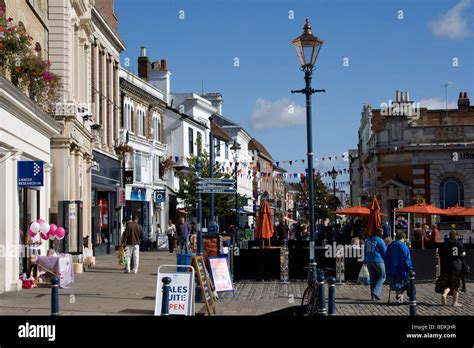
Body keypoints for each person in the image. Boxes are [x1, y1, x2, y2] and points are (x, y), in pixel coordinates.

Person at [436, 230, 466, 306]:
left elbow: (439, 254)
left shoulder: (443, 244)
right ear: (455, 236)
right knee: (456, 285)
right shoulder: (458, 243)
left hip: (445, 267)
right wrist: (463, 254)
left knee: (448, 284)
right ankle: (455, 302)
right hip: (456, 267)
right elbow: (462, 253)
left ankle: (444, 294)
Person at [385, 232, 413, 303]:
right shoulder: (403, 246)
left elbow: (386, 257)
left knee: (396, 284)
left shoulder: (390, 245)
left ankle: (399, 300)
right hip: (401, 268)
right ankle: (399, 296)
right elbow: (407, 259)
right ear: (403, 238)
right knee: (404, 284)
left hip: (392, 268)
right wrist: (410, 268)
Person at [364, 227, 387, 301]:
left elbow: (365, 251)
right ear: (380, 233)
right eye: (382, 232)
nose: (383, 233)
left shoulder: (368, 240)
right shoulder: (380, 241)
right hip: (378, 260)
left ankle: (373, 297)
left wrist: (365, 260)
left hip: (368, 260)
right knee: (382, 276)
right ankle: (375, 292)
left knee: (372, 278)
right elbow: (384, 252)